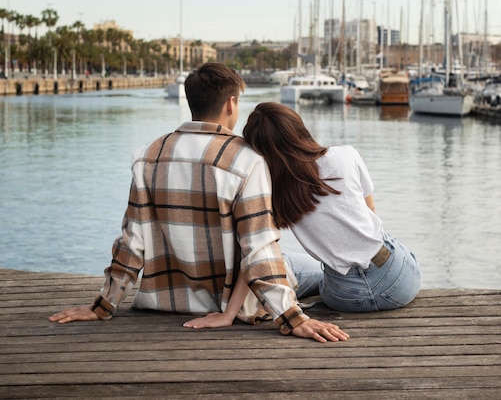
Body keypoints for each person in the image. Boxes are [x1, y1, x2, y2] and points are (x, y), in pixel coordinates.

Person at [49, 63, 349, 343]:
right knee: (318, 271)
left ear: (191, 101)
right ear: (231, 103)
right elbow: (258, 248)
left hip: (166, 302)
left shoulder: (147, 155)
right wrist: (293, 318)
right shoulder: (246, 160)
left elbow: (132, 242)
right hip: (231, 303)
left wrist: (103, 305)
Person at [239, 101, 421, 313]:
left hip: (347, 295)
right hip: (401, 279)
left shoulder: (273, 193)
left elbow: (258, 250)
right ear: (299, 129)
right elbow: (370, 210)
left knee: (290, 263)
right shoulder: (345, 155)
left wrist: (228, 314)